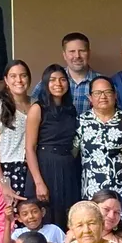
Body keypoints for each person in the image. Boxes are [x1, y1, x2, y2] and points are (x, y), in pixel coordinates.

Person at [26, 64, 82, 228]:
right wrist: (38, 182)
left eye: (62, 79)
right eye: (52, 80)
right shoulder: (38, 108)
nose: (58, 83)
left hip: (67, 166)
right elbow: (29, 148)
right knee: (46, 217)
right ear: (45, 84)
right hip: (45, 166)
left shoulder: (70, 109)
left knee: (67, 216)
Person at [75, 76, 122, 199]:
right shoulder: (81, 121)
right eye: (97, 93)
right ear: (90, 97)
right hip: (92, 190)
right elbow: (72, 154)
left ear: (115, 95)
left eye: (107, 92)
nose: (103, 97)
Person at [0, 60, 35, 200]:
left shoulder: (36, 104)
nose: (18, 80)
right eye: (13, 76)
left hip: (32, 170)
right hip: (7, 170)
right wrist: (2, 181)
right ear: (6, 80)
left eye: (23, 75)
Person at [34, 32, 103, 104]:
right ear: (64, 55)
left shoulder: (103, 82)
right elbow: (31, 105)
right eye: (72, 51)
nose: (77, 56)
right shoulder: (50, 80)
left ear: (89, 53)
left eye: (82, 51)